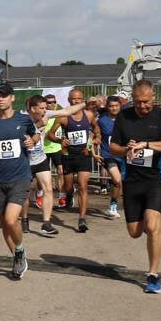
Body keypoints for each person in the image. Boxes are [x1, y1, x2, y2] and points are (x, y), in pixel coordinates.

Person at [109, 79, 161, 294]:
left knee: (152, 225)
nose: (142, 106)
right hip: (131, 182)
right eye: (138, 102)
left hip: (155, 181)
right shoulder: (124, 116)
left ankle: (153, 275)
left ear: (154, 97)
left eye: (146, 101)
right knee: (134, 232)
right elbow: (113, 147)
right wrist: (126, 150)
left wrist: (147, 144)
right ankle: (151, 234)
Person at [0, 83, 39, 280]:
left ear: (12, 98)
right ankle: (17, 258)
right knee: (5, 224)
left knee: (12, 220)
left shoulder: (23, 119)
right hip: (0, 179)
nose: (0, 99)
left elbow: (35, 133)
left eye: (4, 95)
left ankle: (19, 251)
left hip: (20, 177)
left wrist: (33, 141)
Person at [23, 96, 86, 234]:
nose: (46, 111)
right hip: (25, 161)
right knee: (25, 193)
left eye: (46, 108)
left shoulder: (47, 114)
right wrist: (38, 126)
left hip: (40, 158)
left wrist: (85, 103)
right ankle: (24, 220)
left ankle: (46, 223)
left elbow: (67, 111)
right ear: (33, 109)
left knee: (48, 189)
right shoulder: (22, 118)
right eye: (42, 108)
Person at [47, 89, 101, 232]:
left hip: (84, 155)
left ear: (82, 99)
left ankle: (82, 219)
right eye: (73, 99)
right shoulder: (63, 117)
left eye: (79, 99)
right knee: (69, 186)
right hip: (68, 156)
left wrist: (97, 138)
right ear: (69, 101)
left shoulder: (89, 115)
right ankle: (70, 195)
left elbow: (96, 129)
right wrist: (60, 140)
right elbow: (49, 134)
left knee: (83, 186)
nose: (76, 101)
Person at [97, 95, 126, 218]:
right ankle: (113, 207)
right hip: (108, 155)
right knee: (117, 180)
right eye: (111, 106)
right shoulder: (102, 120)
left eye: (116, 106)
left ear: (120, 106)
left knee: (119, 183)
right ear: (107, 107)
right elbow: (95, 134)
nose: (114, 108)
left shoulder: (125, 119)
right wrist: (95, 151)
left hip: (124, 155)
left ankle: (113, 204)